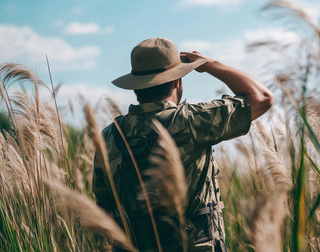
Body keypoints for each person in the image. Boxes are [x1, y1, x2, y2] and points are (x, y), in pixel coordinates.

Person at [92, 38, 273, 252]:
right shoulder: (189, 121)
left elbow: (105, 207)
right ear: (177, 82)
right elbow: (262, 98)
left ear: (136, 87)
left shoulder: (110, 135)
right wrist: (208, 64)